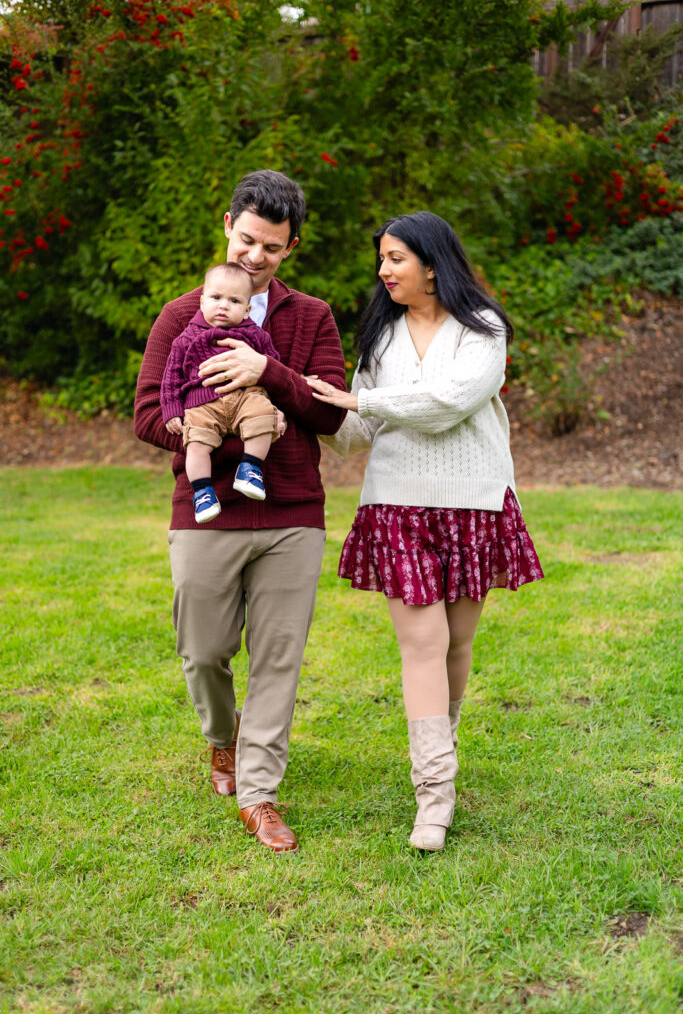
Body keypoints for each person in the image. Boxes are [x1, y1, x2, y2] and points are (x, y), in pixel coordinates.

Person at [307, 211, 544, 853]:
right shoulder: (379, 339)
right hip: (398, 506)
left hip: (475, 504)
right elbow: (357, 433)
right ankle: (434, 795)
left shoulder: (482, 329)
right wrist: (310, 404)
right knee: (422, 643)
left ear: (433, 264)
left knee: (455, 646)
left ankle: (443, 745)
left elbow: (449, 403)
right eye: (381, 259)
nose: (383, 271)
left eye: (394, 258)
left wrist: (361, 402)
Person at [135, 170, 347, 853]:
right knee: (202, 651)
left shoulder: (310, 317)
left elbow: (327, 412)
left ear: (292, 248)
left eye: (273, 248)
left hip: (291, 512)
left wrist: (267, 376)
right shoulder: (180, 314)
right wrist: (208, 426)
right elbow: (145, 415)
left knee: (278, 658)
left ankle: (258, 793)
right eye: (248, 240)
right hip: (207, 511)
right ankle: (221, 742)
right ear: (227, 224)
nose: (256, 257)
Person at [161, 262, 281, 521]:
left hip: (247, 397)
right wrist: (171, 411)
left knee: (262, 416)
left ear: (248, 309)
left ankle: (250, 467)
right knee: (196, 444)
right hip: (201, 404)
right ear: (202, 301)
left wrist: (277, 406)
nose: (224, 305)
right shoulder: (186, 338)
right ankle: (203, 493)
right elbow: (171, 377)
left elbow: (274, 369)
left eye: (234, 301)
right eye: (216, 298)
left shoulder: (257, 336)